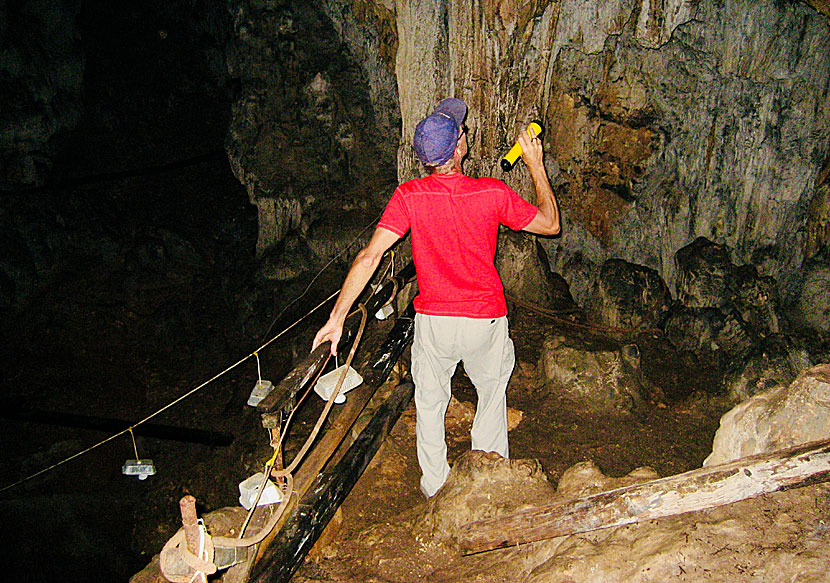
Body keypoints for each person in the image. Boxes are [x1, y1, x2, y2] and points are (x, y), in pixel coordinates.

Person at [312, 97, 560, 497]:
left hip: (435, 325)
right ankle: (489, 483)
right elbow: (550, 223)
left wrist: (337, 317)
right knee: (491, 398)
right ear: (459, 149)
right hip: (485, 321)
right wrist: (535, 164)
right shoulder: (491, 193)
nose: (465, 134)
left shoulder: (408, 196)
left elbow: (369, 255)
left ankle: (435, 486)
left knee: (429, 403)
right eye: (461, 132)